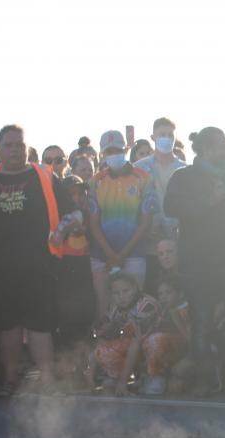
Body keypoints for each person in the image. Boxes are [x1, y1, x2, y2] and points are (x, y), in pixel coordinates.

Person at [0, 125, 81, 396]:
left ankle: (47, 383)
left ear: (27, 148)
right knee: (8, 326)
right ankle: (10, 380)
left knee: (40, 326)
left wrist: (61, 231)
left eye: (19, 145)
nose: (14, 150)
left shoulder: (44, 175)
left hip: (38, 265)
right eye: (8, 145)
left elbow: (75, 214)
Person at [165, 135, 225, 395]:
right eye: (221, 145)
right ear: (203, 149)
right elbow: (170, 206)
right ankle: (205, 378)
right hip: (199, 264)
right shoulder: (184, 177)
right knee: (201, 322)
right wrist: (209, 201)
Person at [86, 129, 157, 316]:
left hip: (134, 253)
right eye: (108, 152)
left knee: (135, 307)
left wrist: (122, 254)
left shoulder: (144, 178)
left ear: (125, 149)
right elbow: (93, 222)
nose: (113, 155)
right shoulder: (95, 181)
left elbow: (146, 221)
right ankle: (105, 344)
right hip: (101, 255)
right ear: (102, 153)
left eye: (117, 150)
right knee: (104, 308)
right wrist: (110, 254)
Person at [85, 271, 159, 396]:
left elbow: (136, 342)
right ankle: (115, 376)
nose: (121, 296)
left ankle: (152, 376)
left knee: (150, 342)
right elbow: (102, 337)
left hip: (154, 350)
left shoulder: (146, 305)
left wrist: (122, 383)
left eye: (126, 291)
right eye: (116, 293)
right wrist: (90, 375)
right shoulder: (114, 308)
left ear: (135, 288)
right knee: (107, 383)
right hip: (134, 349)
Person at [54, 175, 97, 375]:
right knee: (65, 318)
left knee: (86, 317)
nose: (77, 197)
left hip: (86, 270)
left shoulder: (91, 214)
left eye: (81, 193)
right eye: (72, 193)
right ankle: (64, 366)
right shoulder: (57, 215)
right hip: (64, 269)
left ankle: (84, 366)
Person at [133, 118, 188, 264]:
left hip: (177, 243)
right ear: (153, 137)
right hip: (148, 243)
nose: (167, 138)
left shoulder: (184, 169)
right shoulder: (138, 168)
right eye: (162, 134)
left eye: (170, 135)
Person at [141, 275, 192, 395]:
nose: (163, 297)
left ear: (179, 294)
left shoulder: (184, 309)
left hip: (181, 352)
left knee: (156, 340)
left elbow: (190, 337)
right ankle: (151, 376)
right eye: (160, 294)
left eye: (168, 292)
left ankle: (157, 377)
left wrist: (176, 318)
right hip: (164, 353)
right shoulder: (162, 310)